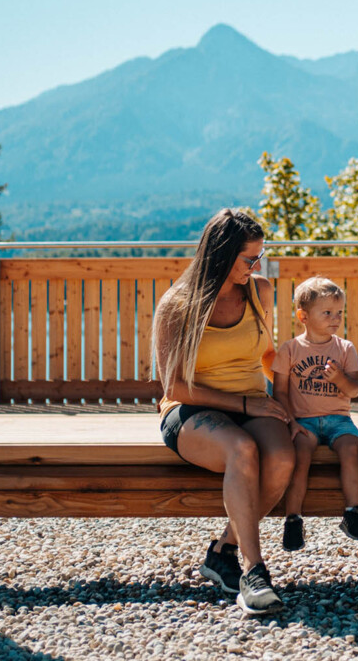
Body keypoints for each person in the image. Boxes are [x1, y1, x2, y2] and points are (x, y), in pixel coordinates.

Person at [153, 208, 295, 618]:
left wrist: (290, 408)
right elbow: (174, 387)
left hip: (254, 401)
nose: (256, 266)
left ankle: (223, 552)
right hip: (191, 409)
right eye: (248, 259)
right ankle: (254, 572)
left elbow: (268, 355)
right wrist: (245, 404)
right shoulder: (177, 305)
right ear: (220, 254)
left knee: (284, 456)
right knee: (243, 450)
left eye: (260, 257)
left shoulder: (260, 291)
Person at [272, 275, 358, 550]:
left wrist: (340, 380)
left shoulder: (344, 348)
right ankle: (293, 520)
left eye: (339, 313)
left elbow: (354, 390)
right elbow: (279, 392)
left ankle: (353, 513)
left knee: (351, 448)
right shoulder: (290, 349)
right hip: (304, 421)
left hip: (339, 420)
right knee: (299, 455)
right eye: (327, 313)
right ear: (303, 316)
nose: (335, 319)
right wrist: (290, 423)